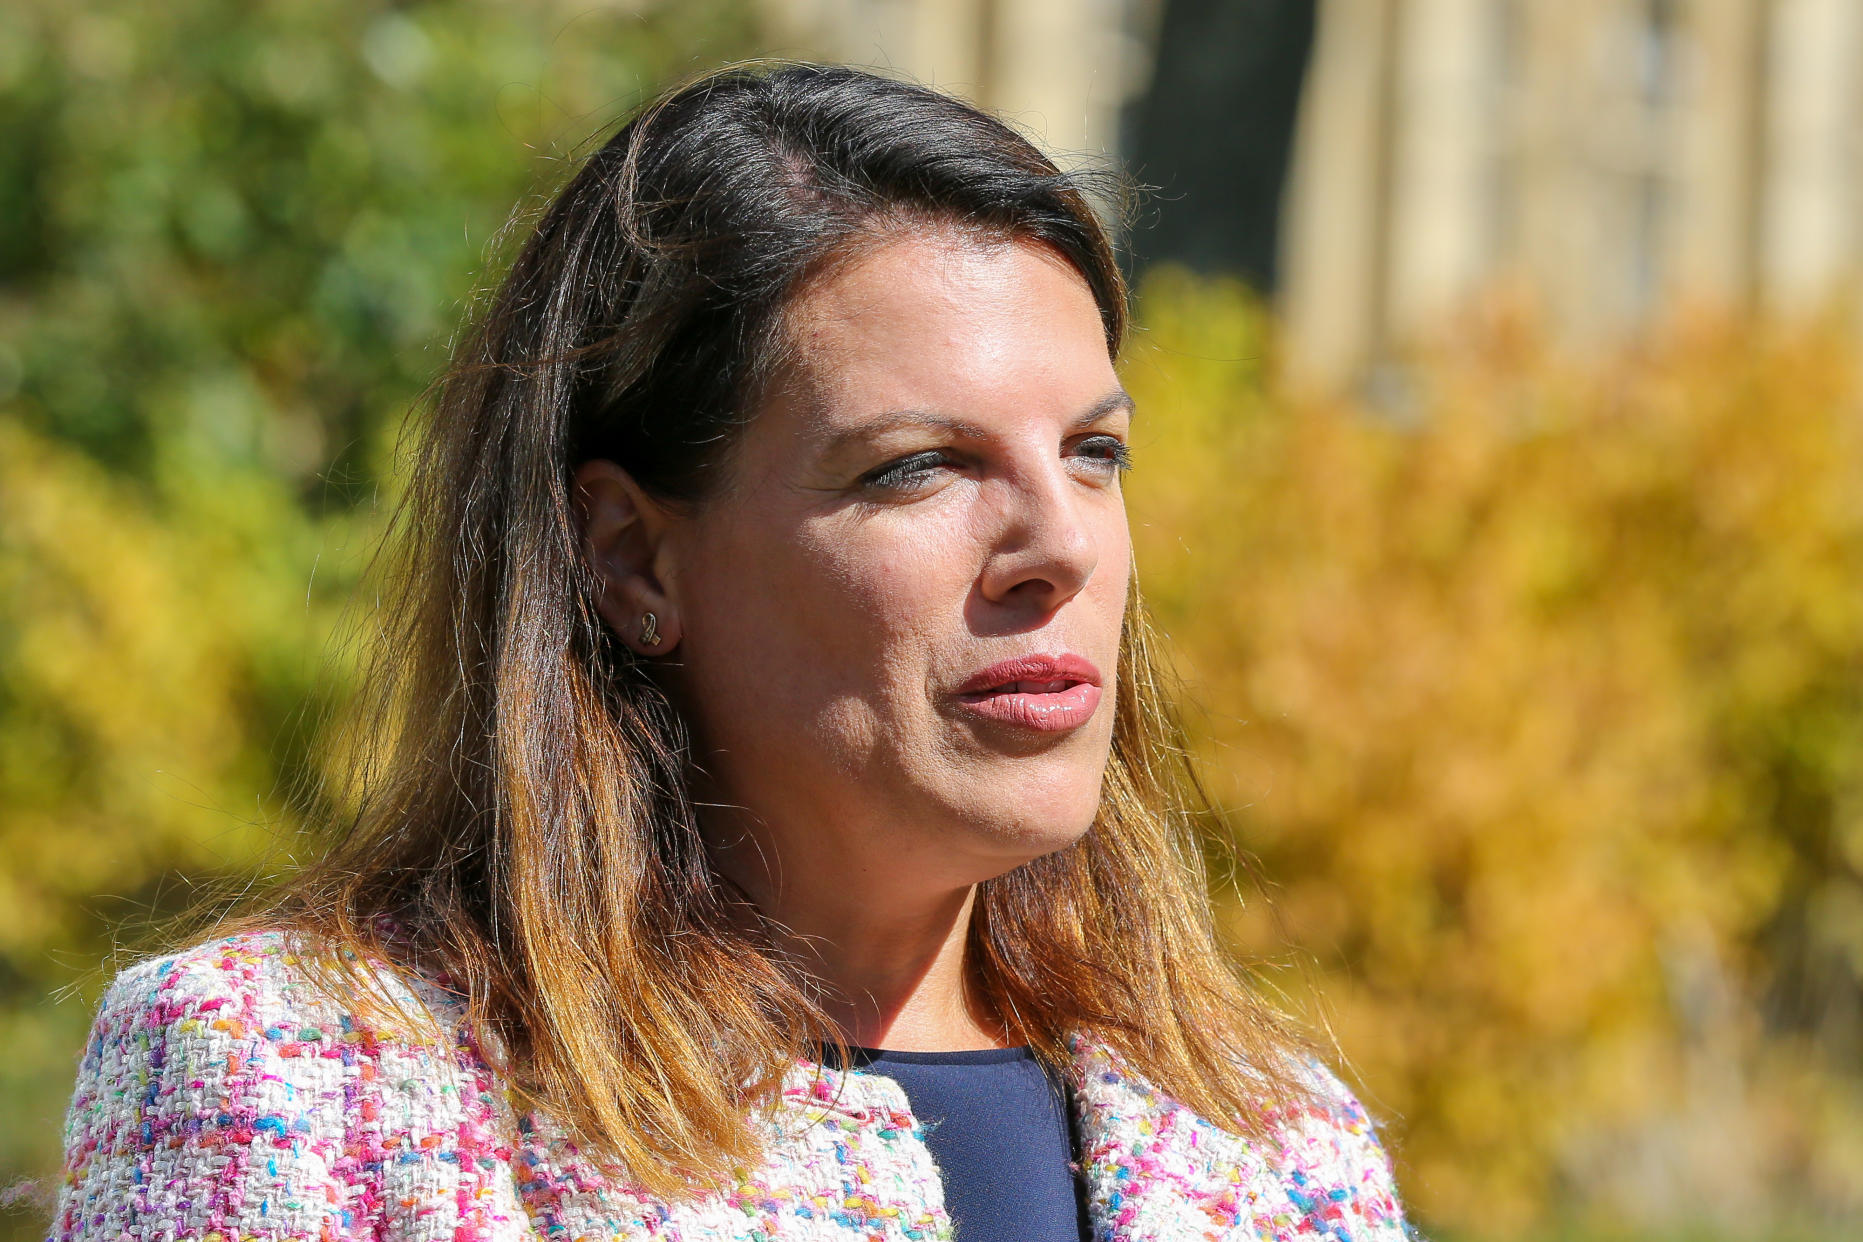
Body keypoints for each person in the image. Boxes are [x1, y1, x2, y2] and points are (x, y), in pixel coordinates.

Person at [50, 62, 1412, 1242]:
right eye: (920, 466)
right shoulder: (301, 1080)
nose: (1060, 543)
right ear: (635, 557)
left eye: (1093, 453)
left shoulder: (1283, 1157)